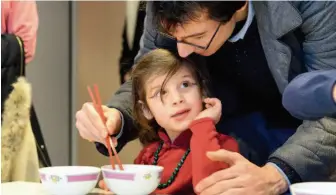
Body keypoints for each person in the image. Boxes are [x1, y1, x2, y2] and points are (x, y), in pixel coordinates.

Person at [76, 1, 336, 194]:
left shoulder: (311, 4)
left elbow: (329, 105)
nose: (182, 51)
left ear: (238, 6)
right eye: (174, 37)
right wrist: (117, 117)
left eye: (197, 37)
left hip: (299, 144)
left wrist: (278, 173)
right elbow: (147, 78)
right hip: (216, 144)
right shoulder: (163, 6)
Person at [105, 49, 239, 194]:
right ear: (146, 110)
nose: (177, 99)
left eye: (185, 85)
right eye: (161, 92)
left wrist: (203, 125)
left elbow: (210, 189)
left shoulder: (224, 147)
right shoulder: (147, 157)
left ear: (202, 92)